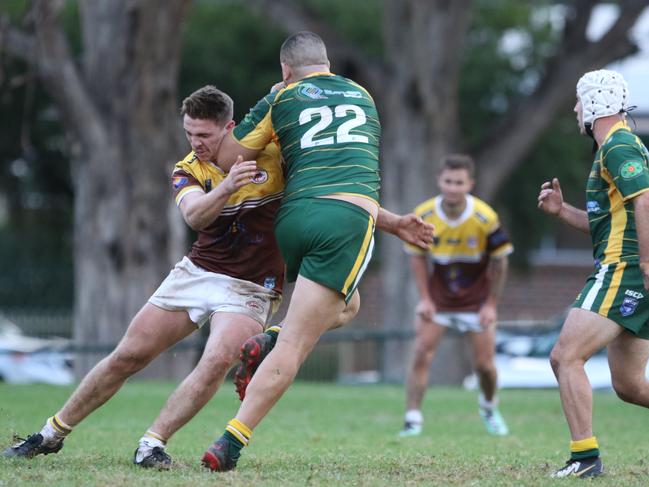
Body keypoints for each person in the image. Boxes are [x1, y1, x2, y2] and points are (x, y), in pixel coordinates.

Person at [3, 85, 431, 469]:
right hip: (197, 272)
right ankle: (50, 434)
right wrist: (226, 187)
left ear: (230, 127)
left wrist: (394, 224)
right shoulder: (188, 169)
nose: (196, 143)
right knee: (127, 356)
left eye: (205, 135)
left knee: (220, 356)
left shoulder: (275, 156)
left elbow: (331, 192)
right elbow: (193, 215)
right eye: (190, 134)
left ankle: (152, 443)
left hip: (252, 286)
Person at [199, 31, 389, 472]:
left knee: (346, 305)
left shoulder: (280, 99)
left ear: (285, 70)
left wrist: (267, 102)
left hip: (294, 218)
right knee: (301, 340)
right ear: (327, 64)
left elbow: (228, 158)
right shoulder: (363, 94)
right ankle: (231, 440)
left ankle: (272, 338)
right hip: (345, 217)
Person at [537, 69, 649, 479]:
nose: (575, 109)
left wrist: (646, 266)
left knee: (565, 355)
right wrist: (561, 212)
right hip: (631, 270)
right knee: (630, 386)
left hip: (625, 271)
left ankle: (585, 459)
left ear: (596, 103)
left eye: (579, 101)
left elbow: (646, 203)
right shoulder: (612, 150)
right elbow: (607, 222)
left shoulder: (618, 146)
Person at [396, 154, 513, 438]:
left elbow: (500, 262)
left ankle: (488, 406)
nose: (452, 187)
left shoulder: (485, 217)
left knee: (485, 366)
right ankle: (412, 418)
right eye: (448, 181)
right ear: (439, 180)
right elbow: (417, 258)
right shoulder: (424, 214)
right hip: (439, 299)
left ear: (469, 184)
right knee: (421, 353)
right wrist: (425, 298)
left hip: (476, 300)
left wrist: (491, 305)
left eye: (459, 182)